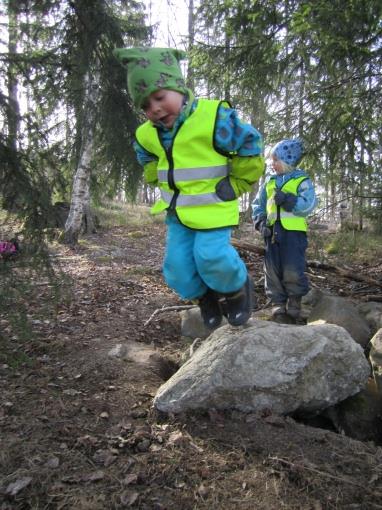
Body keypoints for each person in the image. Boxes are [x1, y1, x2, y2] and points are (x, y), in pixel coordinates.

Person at [114, 47, 265, 328]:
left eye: (160, 97)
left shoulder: (213, 118)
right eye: (146, 105)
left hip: (214, 207)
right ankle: (205, 297)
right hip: (178, 213)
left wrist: (239, 182)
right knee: (177, 268)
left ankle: (237, 288)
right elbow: (145, 154)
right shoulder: (147, 133)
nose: (155, 109)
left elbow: (250, 143)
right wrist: (154, 177)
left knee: (211, 256)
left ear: (179, 88)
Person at [252, 139, 317, 323]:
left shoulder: (301, 180)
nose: (272, 164)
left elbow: (309, 204)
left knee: (293, 268)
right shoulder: (269, 182)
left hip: (293, 234)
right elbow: (258, 205)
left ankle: (294, 301)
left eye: (276, 160)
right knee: (272, 269)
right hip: (272, 233)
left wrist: (290, 200)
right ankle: (278, 304)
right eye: (272, 160)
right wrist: (261, 222)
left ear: (288, 160)